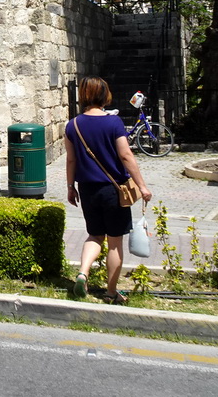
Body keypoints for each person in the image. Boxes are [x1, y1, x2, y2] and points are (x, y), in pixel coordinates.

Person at [65, 75, 153, 304]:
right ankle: (111, 292)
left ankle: (83, 272)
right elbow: (126, 155)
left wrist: (70, 187)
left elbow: (71, 161)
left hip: (87, 190)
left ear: (83, 96)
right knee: (114, 242)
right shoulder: (113, 123)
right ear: (105, 95)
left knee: (95, 235)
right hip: (114, 191)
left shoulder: (72, 125)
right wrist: (142, 186)